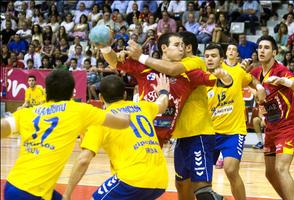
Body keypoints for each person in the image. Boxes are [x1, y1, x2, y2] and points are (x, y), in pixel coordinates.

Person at [0, 70, 131, 200]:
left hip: (12, 185)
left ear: (46, 91)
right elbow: (123, 123)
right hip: (32, 194)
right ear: (71, 92)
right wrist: (128, 110)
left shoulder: (26, 113)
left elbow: (3, 128)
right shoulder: (79, 110)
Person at [125, 31, 225, 200]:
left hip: (198, 133)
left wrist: (140, 56)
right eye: (175, 45)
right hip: (181, 135)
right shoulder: (165, 66)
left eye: (181, 45)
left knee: (203, 191)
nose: (179, 49)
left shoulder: (192, 62)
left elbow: (172, 69)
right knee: (181, 186)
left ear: (188, 48)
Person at [100, 32, 232, 147]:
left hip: (163, 137)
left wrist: (225, 76)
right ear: (164, 48)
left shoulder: (188, 73)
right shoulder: (144, 68)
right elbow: (114, 62)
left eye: (182, 45)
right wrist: (105, 46)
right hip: (140, 133)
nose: (182, 48)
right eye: (176, 45)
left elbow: (220, 82)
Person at [63, 74, 169, 200]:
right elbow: (162, 104)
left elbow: (83, 160)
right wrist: (163, 92)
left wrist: (67, 193)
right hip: (161, 180)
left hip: (132, 179)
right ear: (124, 94)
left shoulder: (101, 119)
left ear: (101, 97)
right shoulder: (143, 107)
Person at [205, 43, 266, 200]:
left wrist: (259, 87)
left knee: (231, 170)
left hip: (233, 131)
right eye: (207, 56)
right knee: (201, 175)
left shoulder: (237, 71)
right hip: (209, 132)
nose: (210, 59)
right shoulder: (202, 77)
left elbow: (250, 79)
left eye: (213, 56)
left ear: (221, 59)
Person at [249, 35, 294, 200]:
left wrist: (284, 81)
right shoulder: (256, 72)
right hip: (270, 127)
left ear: (274, 52)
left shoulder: (281, 70)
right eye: (260, 47)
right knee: (270, 173)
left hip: (287, 127)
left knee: (281, 169)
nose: (262, 50)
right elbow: (245, 81)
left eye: (266, 47)